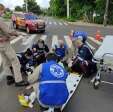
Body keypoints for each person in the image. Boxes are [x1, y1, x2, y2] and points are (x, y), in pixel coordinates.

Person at [0, 18, 29, 86]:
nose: (3, 13)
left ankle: (9, 78)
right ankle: (18, 81)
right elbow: (8, 31)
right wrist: (18, 33)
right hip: (4, 44)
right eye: (2, 11)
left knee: (5, 61)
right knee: (15, 61)